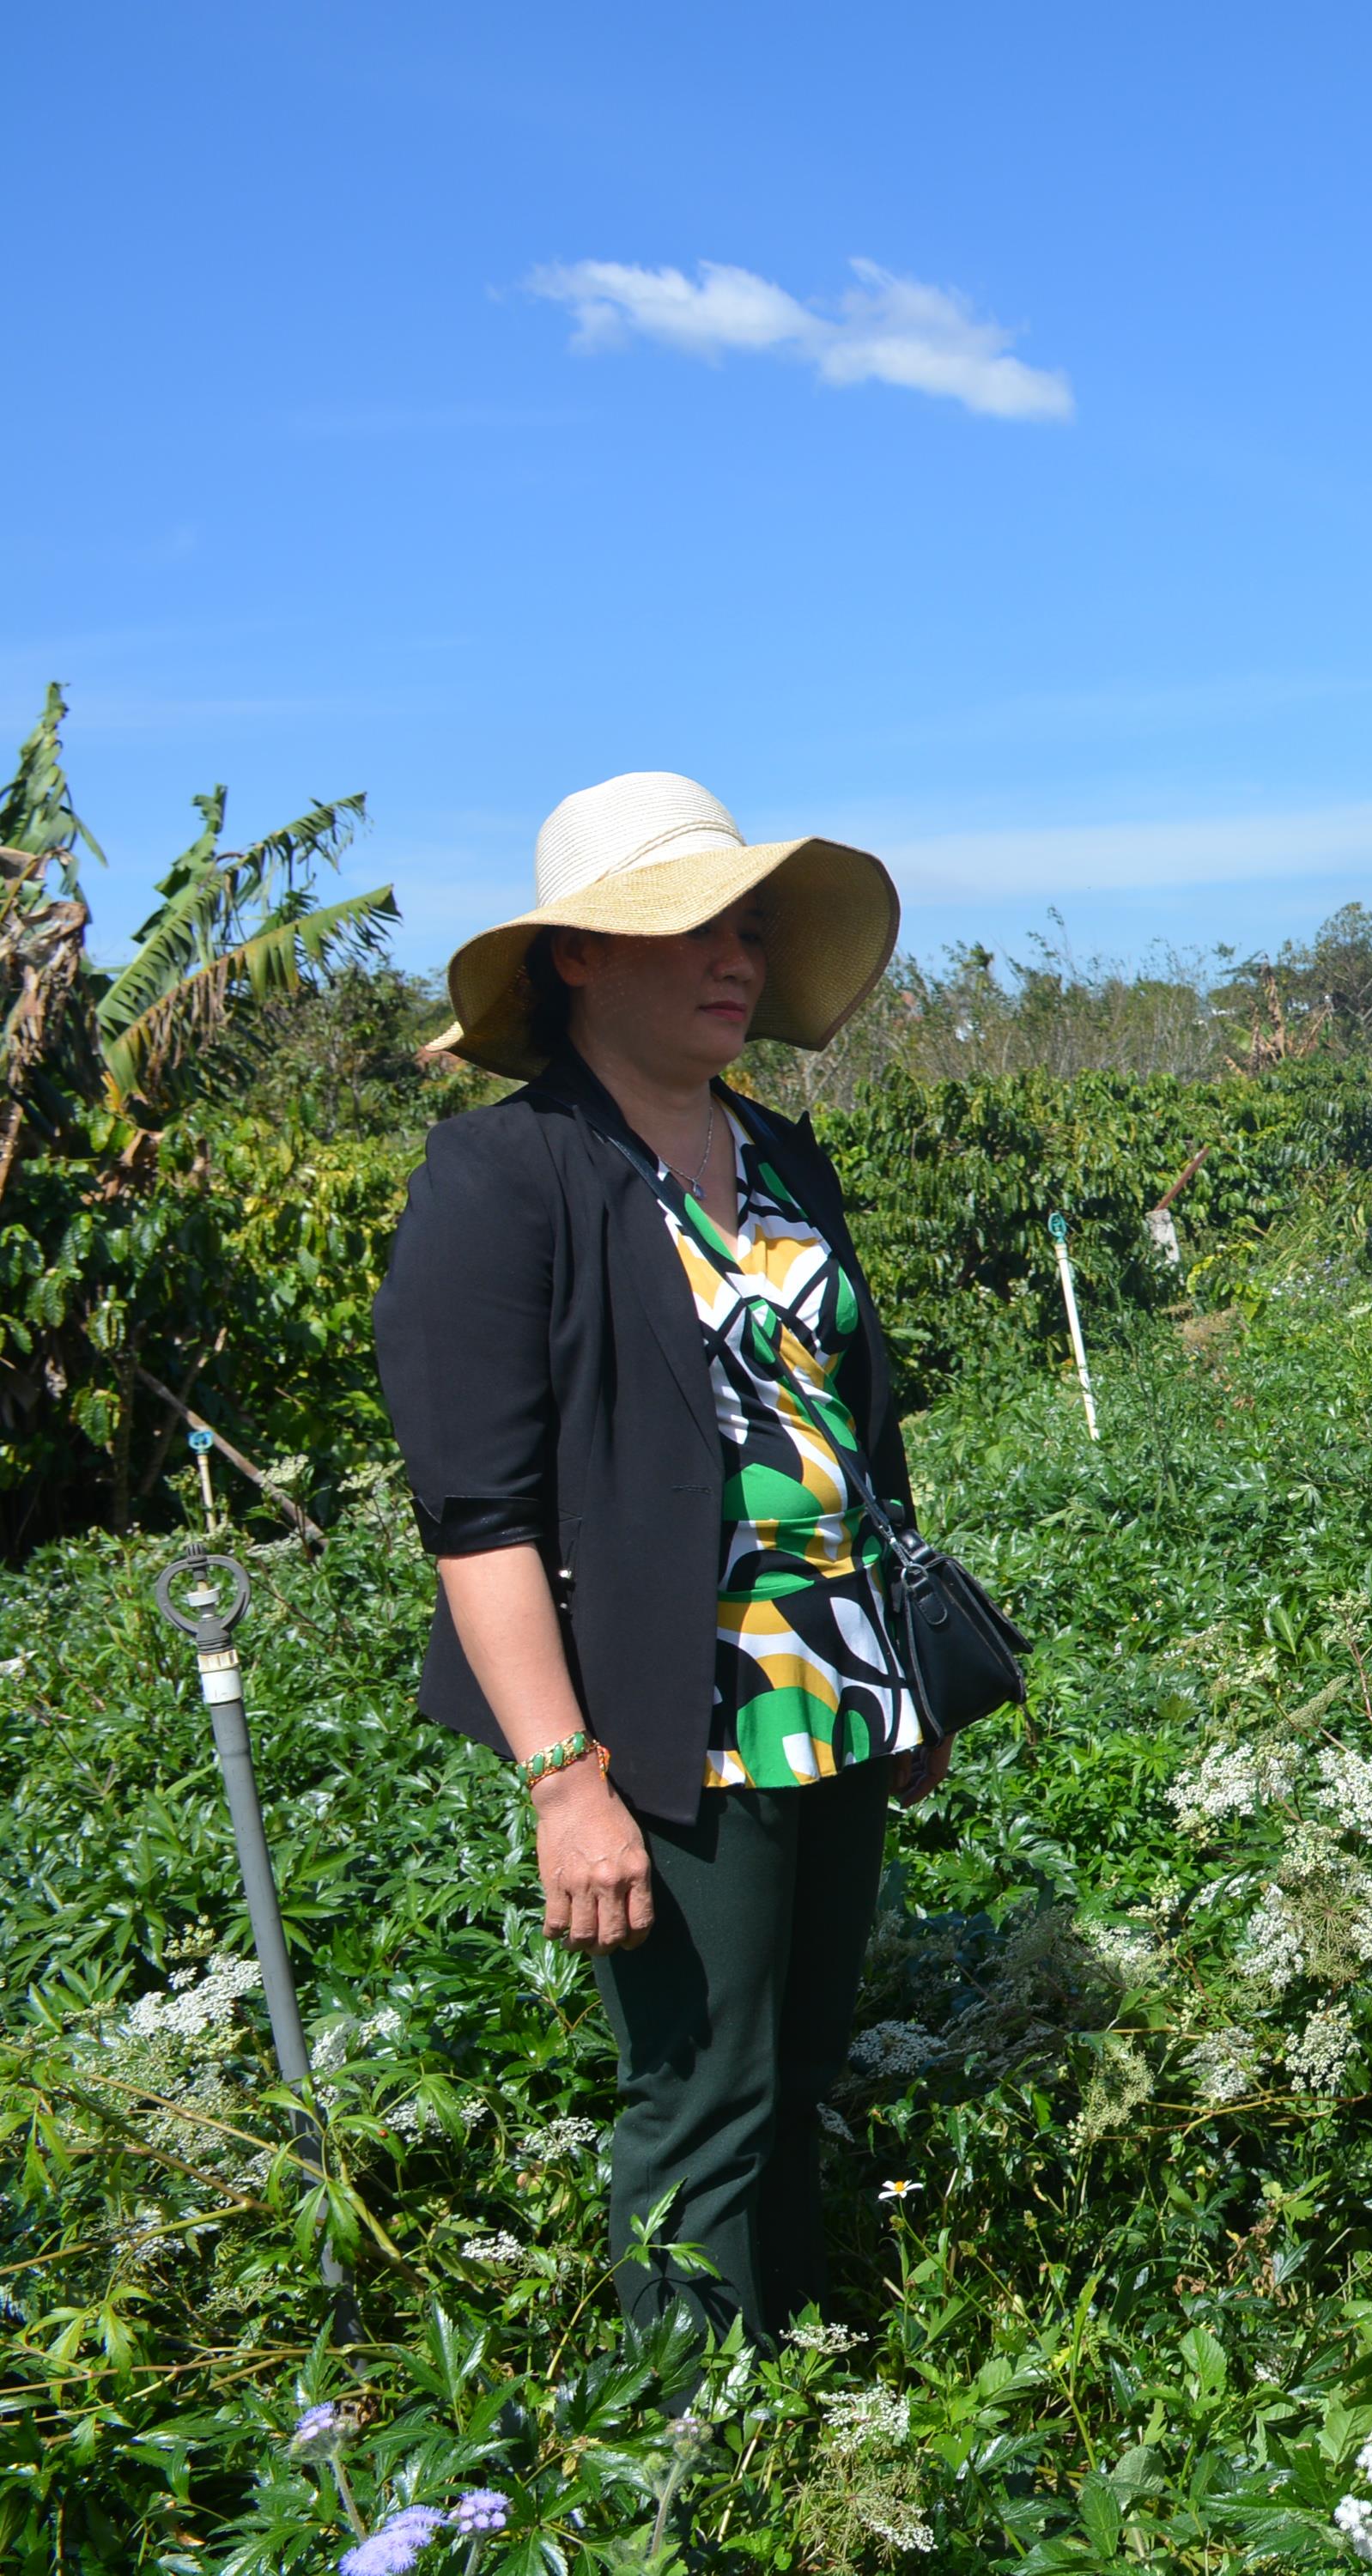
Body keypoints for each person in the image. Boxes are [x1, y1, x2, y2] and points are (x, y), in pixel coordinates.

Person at [374, 771, 942, 2344]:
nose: (737, 957)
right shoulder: (506, 1176)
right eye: (691, 926)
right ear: (576, 957)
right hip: (666, 1710)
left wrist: (903, 1678)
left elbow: (849, 1430)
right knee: (703, 2091)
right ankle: (695, 2458)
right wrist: (568, 1778)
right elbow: (475, 1514)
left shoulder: (780, 1158)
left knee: (800, 2062)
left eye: (751, 927)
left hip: (829, 1681)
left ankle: (797, 2408)